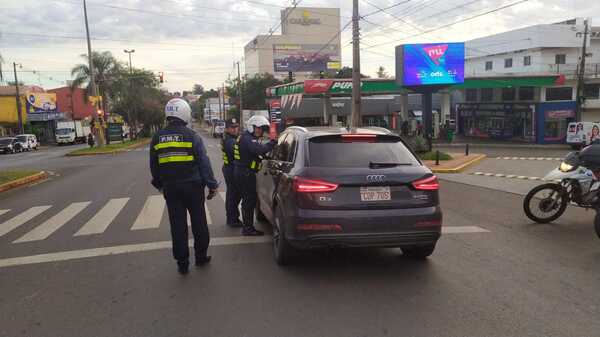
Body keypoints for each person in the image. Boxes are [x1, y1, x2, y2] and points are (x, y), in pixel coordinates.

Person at [149, 98, 219, 275]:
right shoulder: (192, 136)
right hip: (193, 187)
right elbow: (204, 163)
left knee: (177, 226)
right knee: (199, 222)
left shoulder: (157, 137)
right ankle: (201, 257)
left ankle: (182, 263)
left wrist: (160, 185)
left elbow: (154, 166)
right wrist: (212, 185)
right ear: (185, 113)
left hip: (171, 189)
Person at [233, 115, 276, 236]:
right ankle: (248, 228)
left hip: (242, 172)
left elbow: (253, 153)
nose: (260, 131)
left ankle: (248, 226)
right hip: (245, 173)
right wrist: (272, 143)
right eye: (259, 128)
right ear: (252, 127)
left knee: (248, 200)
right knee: (249, 200)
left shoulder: (245, 137)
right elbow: (258, 150)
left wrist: (265, 156)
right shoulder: (247, 139)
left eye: (262, 129)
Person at [221, 118, 242, 227]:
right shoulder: (230, 141)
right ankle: (232, 219)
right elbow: (238, 153)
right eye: (232, 127)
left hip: (229, 168)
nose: (235, 129)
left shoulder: (231, 138)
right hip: (231, 169)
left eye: (236, 127)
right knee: (234, 195)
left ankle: (232, 218)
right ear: (227, 129)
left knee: (232, 195)